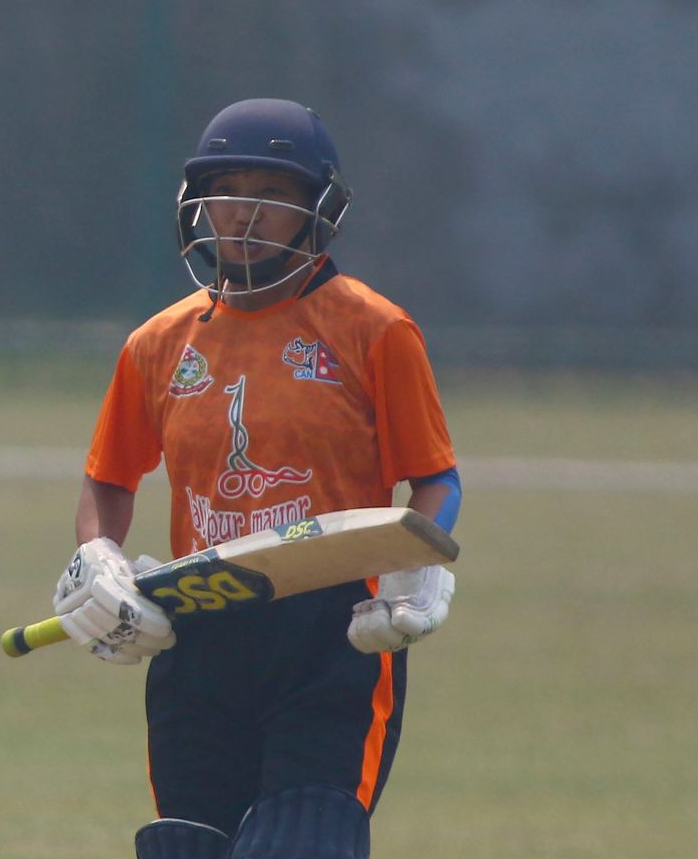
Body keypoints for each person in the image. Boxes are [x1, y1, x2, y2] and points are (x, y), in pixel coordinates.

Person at [52, 99, 462, 859]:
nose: (245, 214)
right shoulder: (158, 342)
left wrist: (417, 567)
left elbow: (436, 478)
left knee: (301, 841)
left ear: (320, 210)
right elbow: (108, 480)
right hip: (198, 627)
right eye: (228, 192)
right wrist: (100, 558)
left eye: (274, 194)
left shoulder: (376, 330)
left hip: (332, 634)